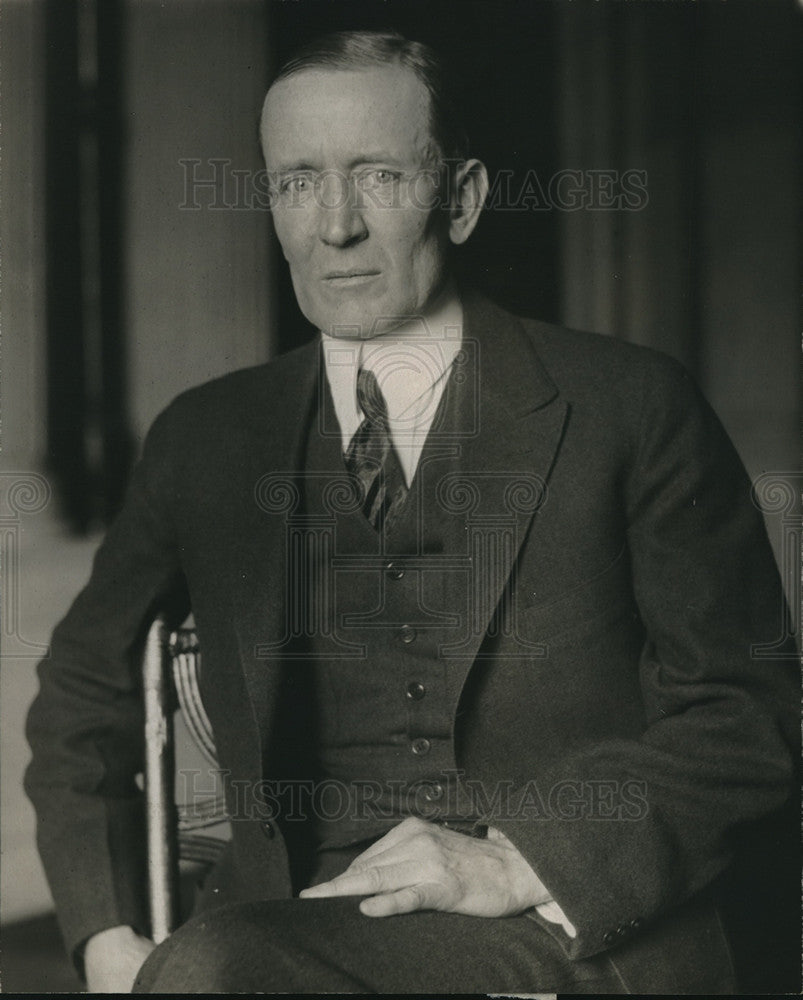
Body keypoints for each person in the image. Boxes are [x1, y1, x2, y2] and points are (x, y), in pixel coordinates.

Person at [26, 29, 798, 995]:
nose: (335, 225)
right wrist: (104, 934)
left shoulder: (628, 406)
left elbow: (749, 712)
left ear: (461, 200)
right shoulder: (207, 437)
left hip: (562, 929)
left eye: (379, 177)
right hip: (287, 925)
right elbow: (84, 685)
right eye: (298, 181)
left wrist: (519, 861)